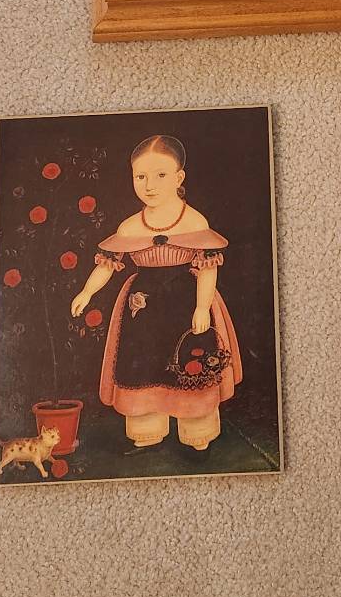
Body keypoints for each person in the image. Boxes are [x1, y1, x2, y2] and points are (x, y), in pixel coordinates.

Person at [71, 135, 241, 452]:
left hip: (186, 301)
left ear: (179, 177)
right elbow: (107, 265)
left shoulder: (194, 221)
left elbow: (207, 269)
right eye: (141, 176)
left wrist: (202, 307)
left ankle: (197, 429)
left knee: (191, 360)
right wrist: (87, 291)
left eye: (160, 175)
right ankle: (147, 428)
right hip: (142, 306)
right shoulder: (129, 227)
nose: (149, 185)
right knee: (141, 362)